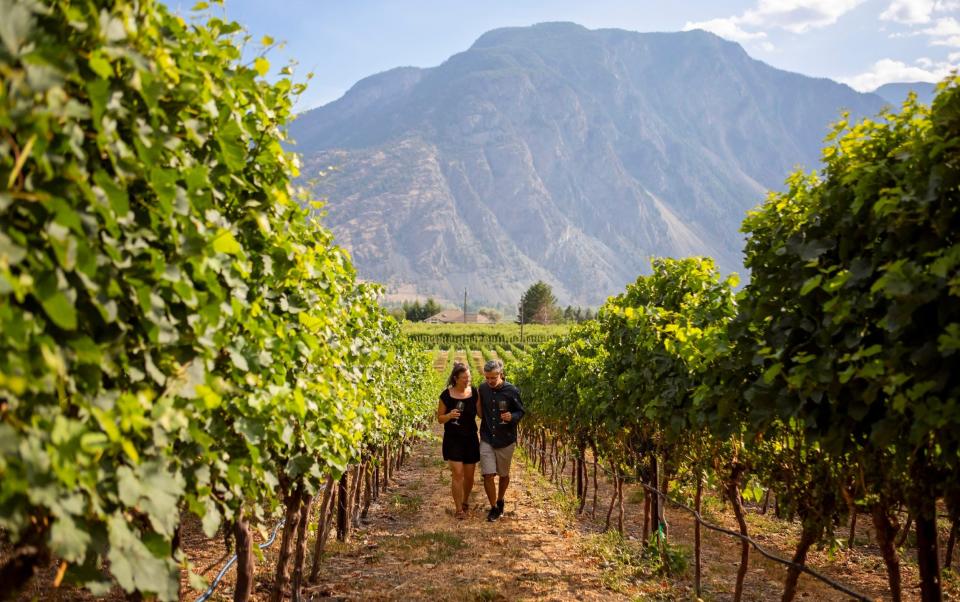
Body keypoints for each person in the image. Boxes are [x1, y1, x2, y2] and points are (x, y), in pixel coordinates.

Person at [477, 358, 525, 522]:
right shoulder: (482, 389)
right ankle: (494, 508)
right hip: (487, 438)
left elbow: (521, 412)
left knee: (504, 475)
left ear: (501, 374)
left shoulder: (512, 390)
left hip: (506, 439)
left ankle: (500, 498)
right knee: (488, 474)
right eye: (487, 377)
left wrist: (512, 416)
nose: (490, 381)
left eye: (493, 377)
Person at [437, 361, 480, 519]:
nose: (467, 380)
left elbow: (481, 413)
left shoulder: (474, 393)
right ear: (455, 378)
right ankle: (458, 510)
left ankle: (465, 501)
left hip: (471, 439)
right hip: (453, 439)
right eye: (464, 378)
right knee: (458, 474)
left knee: (469, 476)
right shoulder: (446, 395)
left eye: (469, 377)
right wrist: (449, 416)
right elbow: (440, 419)